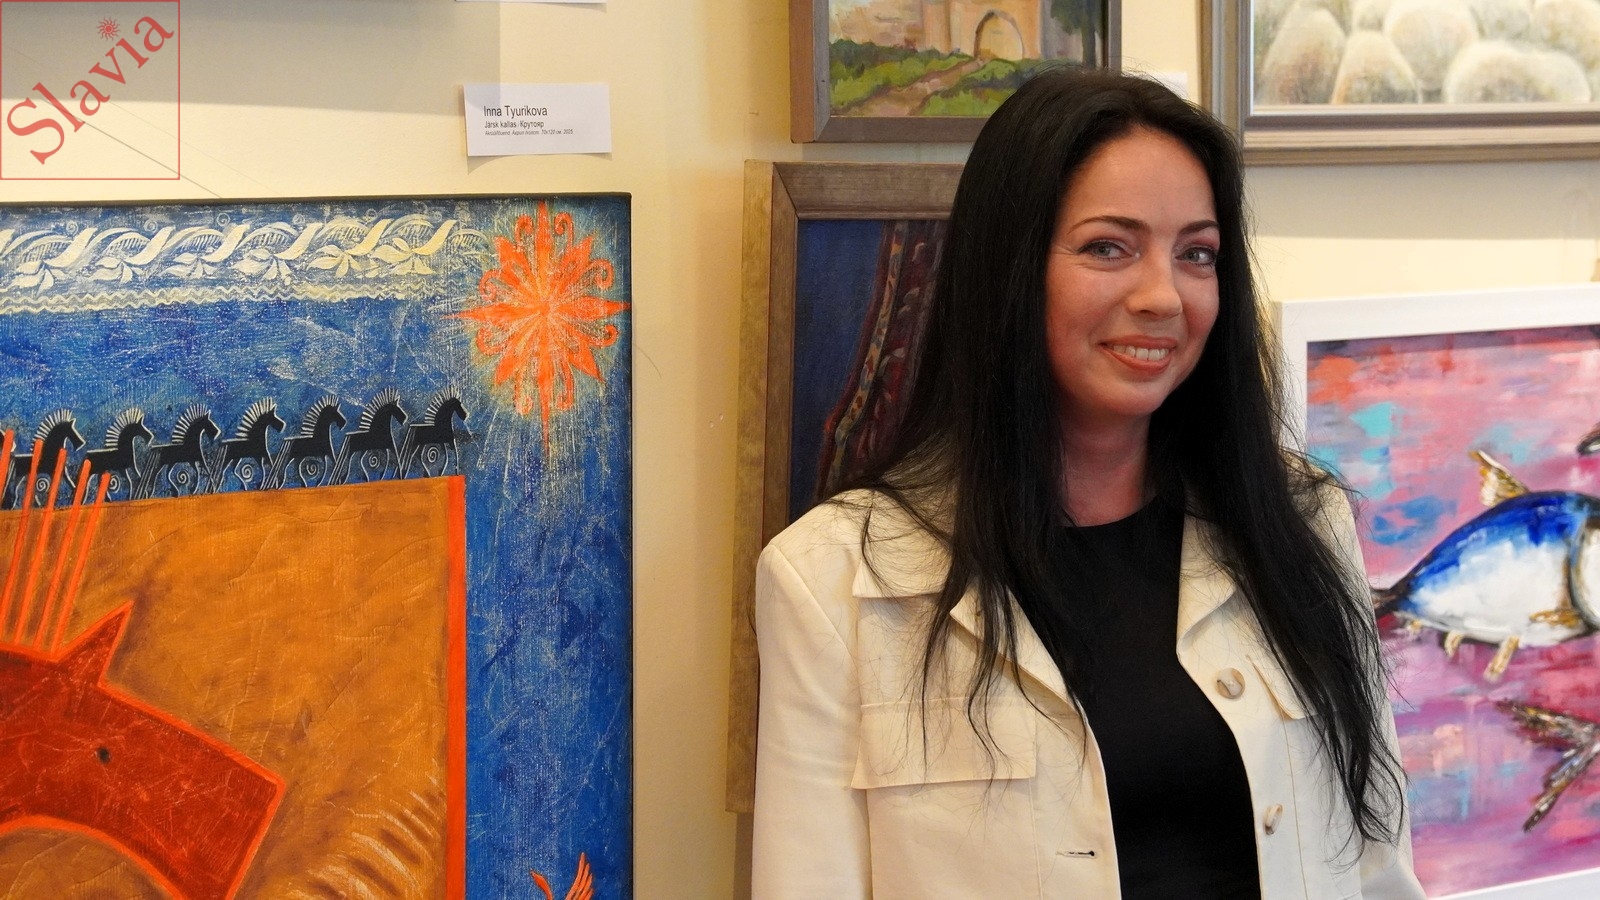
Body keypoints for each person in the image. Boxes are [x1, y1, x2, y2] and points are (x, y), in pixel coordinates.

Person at [750, 68, 1423, 899]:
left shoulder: (1300, 520)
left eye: (1197, 254)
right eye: (1109, 247)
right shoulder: (831, 579)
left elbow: (1378, 863)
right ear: (1009, 266)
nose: (1162, 296)